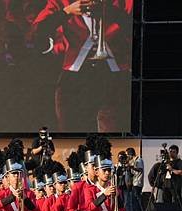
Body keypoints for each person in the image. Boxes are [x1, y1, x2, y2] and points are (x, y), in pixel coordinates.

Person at [33, 0, 132, 132]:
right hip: (75, 75)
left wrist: (114, 13)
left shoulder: (123, 2)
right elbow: (37, 31)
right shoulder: (62, 2)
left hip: (114, 75)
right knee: (70, 129)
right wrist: (67, 12)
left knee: (113, 131)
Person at [123, 147, 143, 211]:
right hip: (133, 182)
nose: (127, 157)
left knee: (135, 200)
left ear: (131, 154)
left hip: (137, 182)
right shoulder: (132, 161)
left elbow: (140, 169)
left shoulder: (138, 160)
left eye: (127, 155)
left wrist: (131, 167)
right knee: (133, 200)